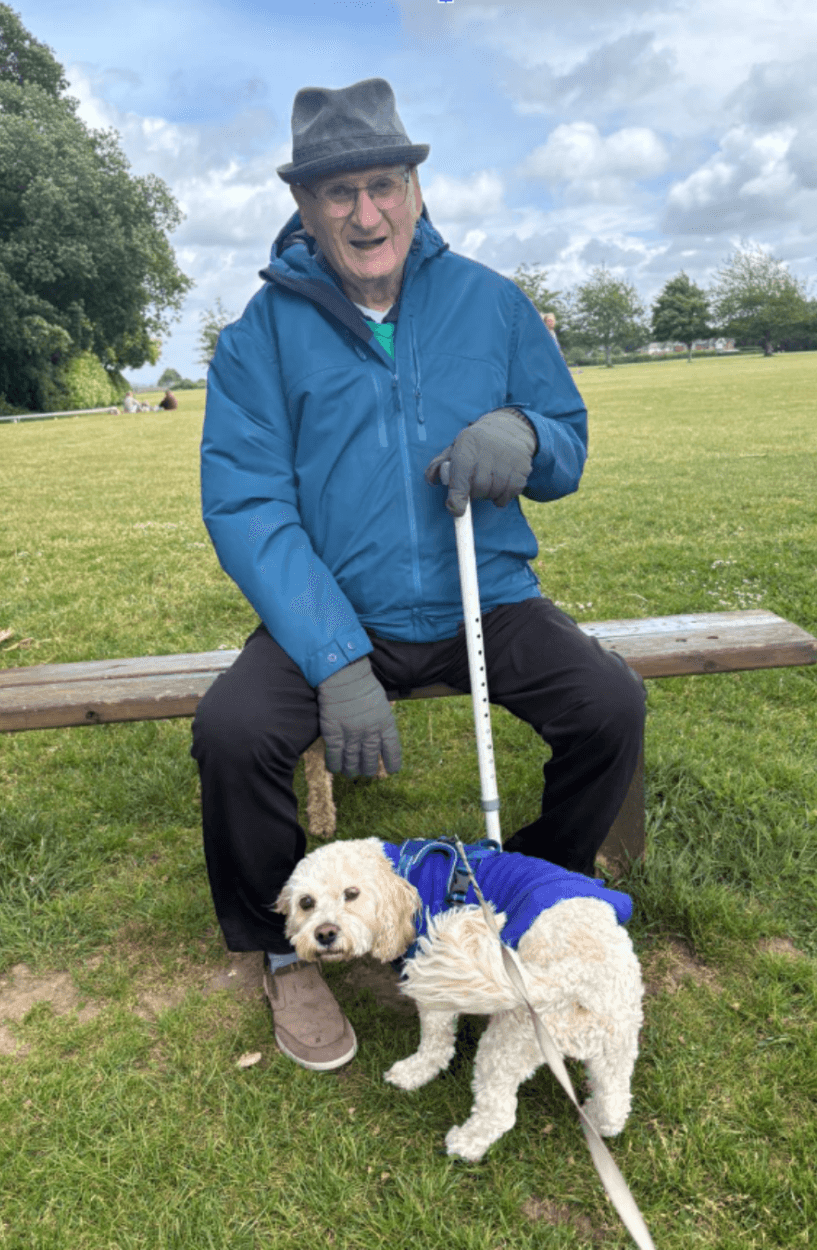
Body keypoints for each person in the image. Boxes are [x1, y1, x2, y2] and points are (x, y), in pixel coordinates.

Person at [192, 78, 645, 1072]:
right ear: (305, 209)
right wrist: (335, 657)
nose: (367, 212)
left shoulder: (491, 302)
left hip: (485, 599)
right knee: (231, 733)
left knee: (608, 703)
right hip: (334, 610)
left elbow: (566, 439)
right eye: (340, 193)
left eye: (385, 183)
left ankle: (521, 885)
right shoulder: (259, 336)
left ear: (416, 190)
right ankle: (282, 949)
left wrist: (522, 431)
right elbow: (247, 503)